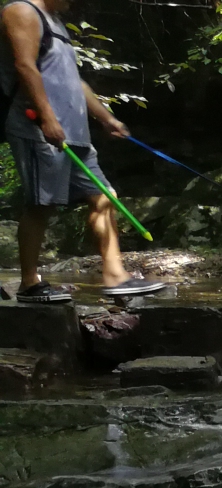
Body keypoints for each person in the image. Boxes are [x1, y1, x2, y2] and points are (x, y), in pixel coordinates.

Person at [2, 0, 162, 301]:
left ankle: (115, 277)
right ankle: (29, 284)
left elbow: (75, 81)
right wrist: (47, 118)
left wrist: (107, 119)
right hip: (38, 127)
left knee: (104, 197)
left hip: (74, 131)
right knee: (42, 203)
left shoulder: (56, 23)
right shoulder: (21, 11)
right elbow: (24, 66)